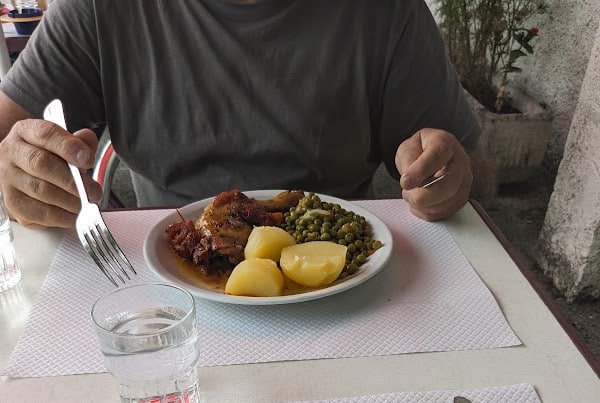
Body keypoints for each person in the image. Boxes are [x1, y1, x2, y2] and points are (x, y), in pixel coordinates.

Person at [0, 0, 484, 230]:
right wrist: (17, 170)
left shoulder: (389, 12)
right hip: (164, 285)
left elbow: (475, 171)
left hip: (342, 277)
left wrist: (452, 176)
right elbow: (7, 134)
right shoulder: (97, 9)